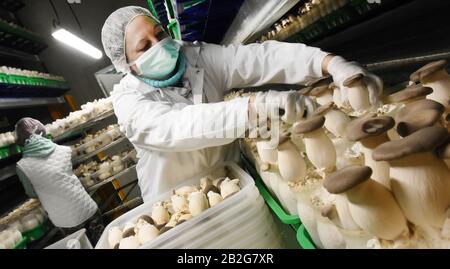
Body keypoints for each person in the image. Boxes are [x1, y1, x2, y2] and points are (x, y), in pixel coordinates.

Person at [101, 6, 383, 203]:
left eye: (159, 33)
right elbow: (176, 126)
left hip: (233, 184)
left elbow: (259, 58)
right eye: (144, 46)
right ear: (127, 63)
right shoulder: (128, 101)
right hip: (177, 204)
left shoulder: (196, 56)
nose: (158, 45)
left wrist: (329, 63)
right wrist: (255, 107)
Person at [15, 118, 103, 243]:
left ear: (20, 141)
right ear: (42, 130)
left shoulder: (22, 166)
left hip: (66, 221)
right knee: (103, 243)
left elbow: (32, 193)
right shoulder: (63, 150)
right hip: (88, 208)